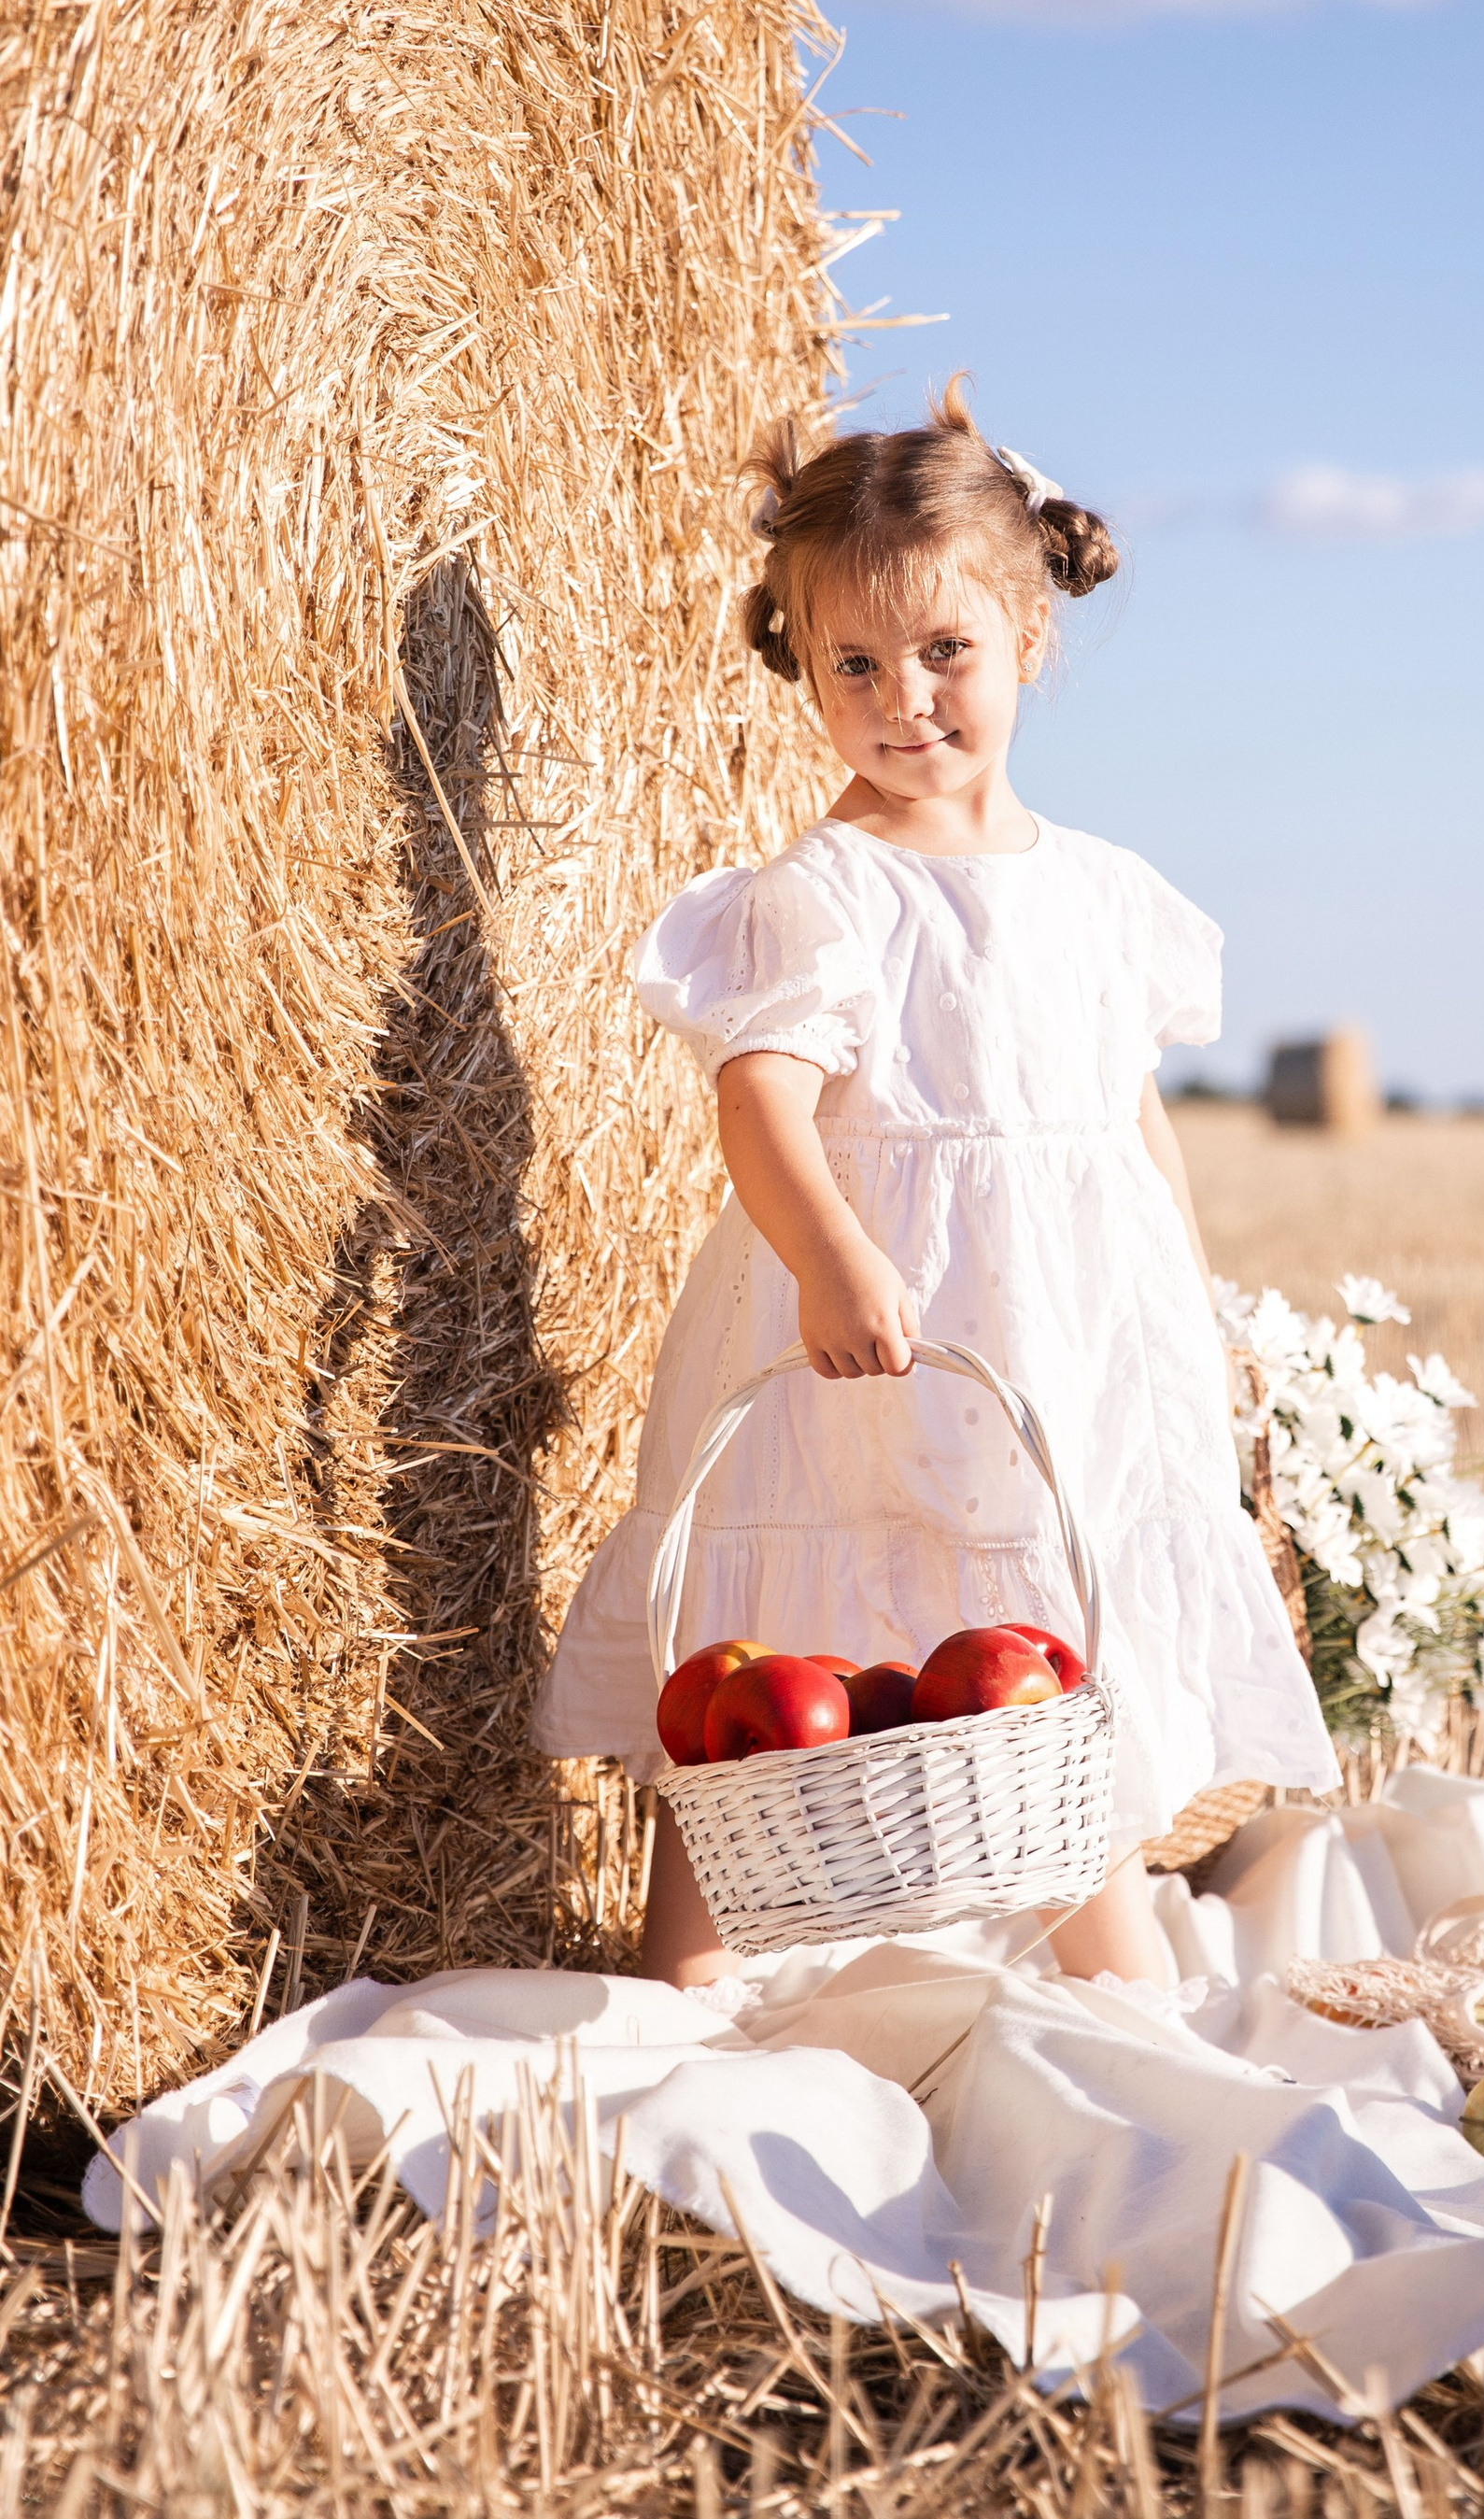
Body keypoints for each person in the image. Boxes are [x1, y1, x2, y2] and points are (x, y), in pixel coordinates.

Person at [533, 383, 1339, 1988]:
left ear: (1029, 635)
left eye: (944, 653)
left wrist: (1189, 1306)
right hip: (869, 1318)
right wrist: (831, 1259)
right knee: (773, 1618)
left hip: (1053, 1329)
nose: (904, 697)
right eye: (855, 666)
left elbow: (1130, 1124)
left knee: (1047, 1630)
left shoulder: (1105, 900)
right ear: (804, 669)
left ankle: (1097, 1938)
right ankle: (685, 1955)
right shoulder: (823, 891)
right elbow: (758, 1099)